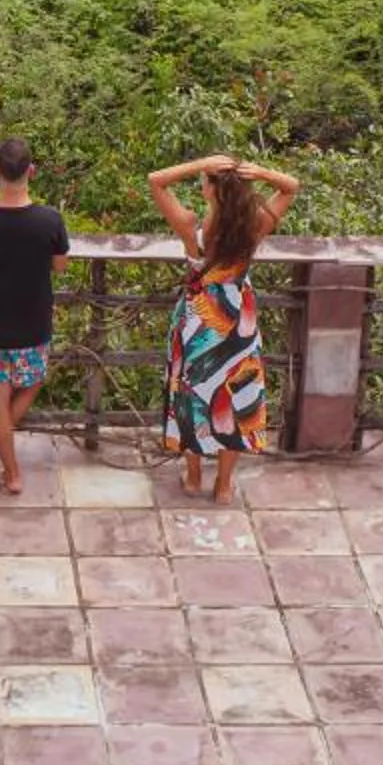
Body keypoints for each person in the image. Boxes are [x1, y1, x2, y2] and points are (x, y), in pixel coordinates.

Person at [149, 153, 299, 504]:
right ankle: (224, 484)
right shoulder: (253, 227)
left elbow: (156, 180)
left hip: (197, 322)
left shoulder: (191, 228)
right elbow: (291, 188)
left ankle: (194, 477)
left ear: (209, 190)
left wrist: (199, 163)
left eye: (204, 180)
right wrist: (261, 172)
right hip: (237, 323)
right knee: (235, 396)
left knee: (192, 395)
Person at [0, 137, 70, 496]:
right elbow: (60, 266)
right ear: (31, 171)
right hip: (32, 323)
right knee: (29, 385)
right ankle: (11, 473)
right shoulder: (50, 220)